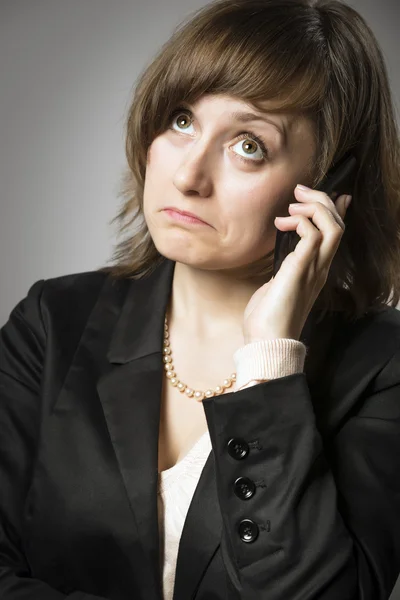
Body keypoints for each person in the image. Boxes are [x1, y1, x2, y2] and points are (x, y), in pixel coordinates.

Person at [1, 0, 400, 598]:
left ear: (326, 185)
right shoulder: (52, 323)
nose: (188, 174)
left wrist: (271, 361)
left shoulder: (384, 366)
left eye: (248, 145)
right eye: (181, 120)